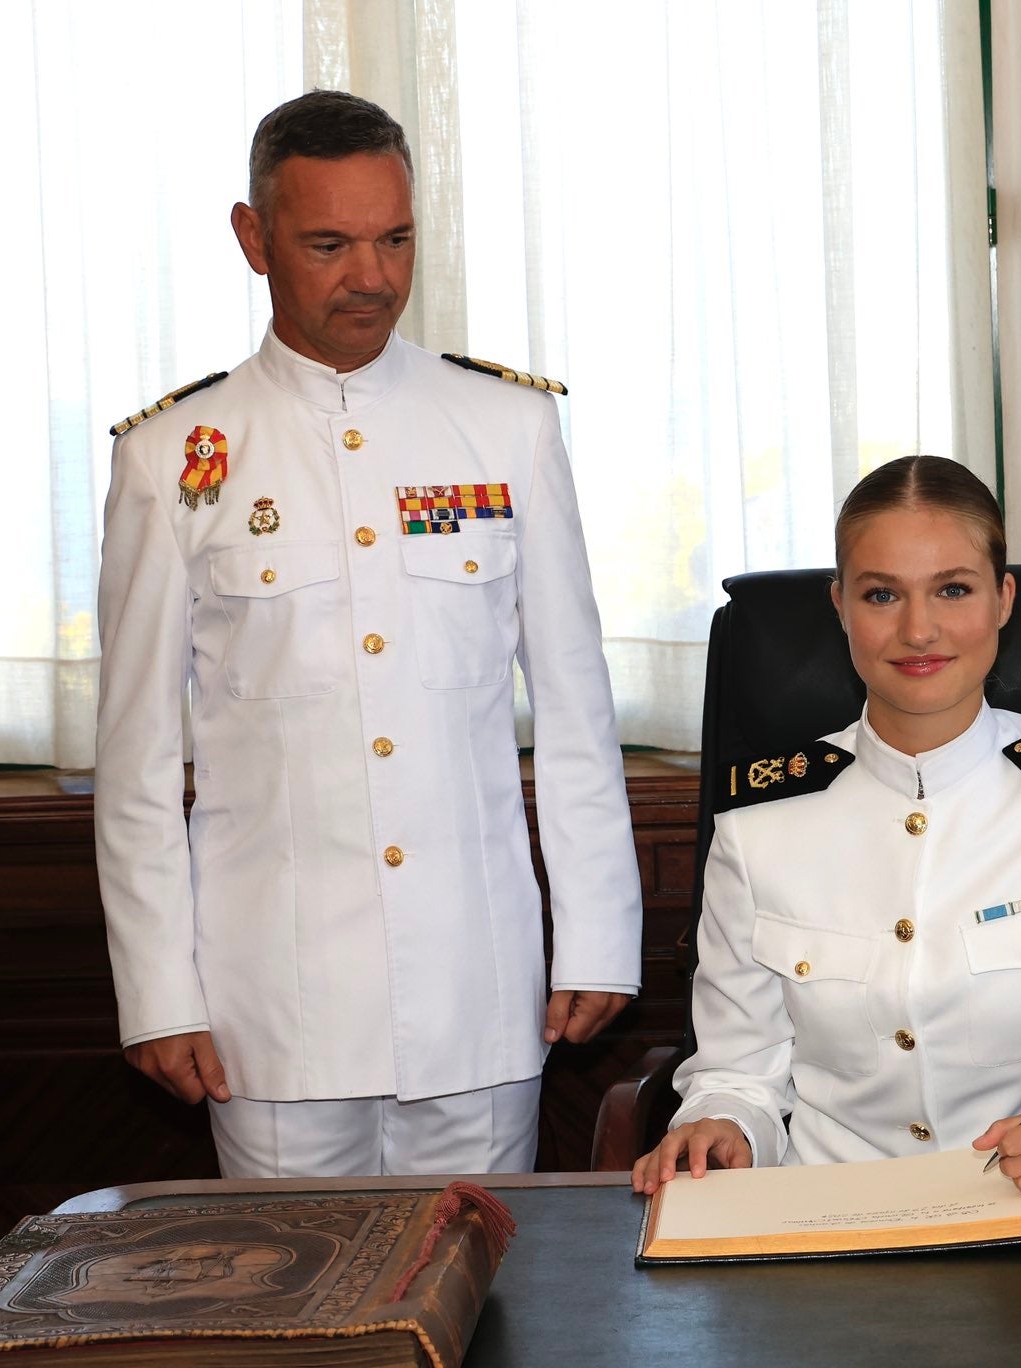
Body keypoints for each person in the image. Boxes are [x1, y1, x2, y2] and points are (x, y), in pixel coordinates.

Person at [94, 90, 642, 1178]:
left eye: (394, 240)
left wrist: (596, 938)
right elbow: (138, 760)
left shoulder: (506, 427)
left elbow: (577, 713)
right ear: (254, 241)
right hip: (271, 1007)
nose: (373, 276)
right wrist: (159, 992)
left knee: (488, 1304)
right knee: (293, 1323)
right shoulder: (175, 455)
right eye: (329, 244)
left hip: (475, 997)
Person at [632, 456, 1021, 1196]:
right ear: (840, 607)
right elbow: (738, 1073)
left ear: (1003, 599)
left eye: (953, 589)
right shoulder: (761, 822)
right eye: (882, 594)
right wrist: (720, 1126)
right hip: (829, 1227)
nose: (918, 630)